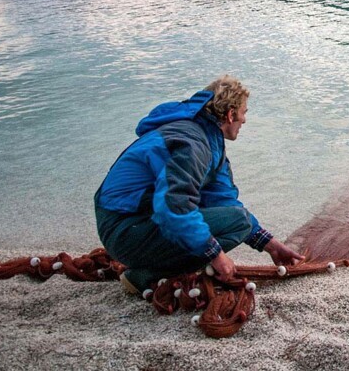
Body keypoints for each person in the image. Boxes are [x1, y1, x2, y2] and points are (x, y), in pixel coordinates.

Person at [94, 75, 303, 294]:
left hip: (133, 221)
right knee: (237, 222)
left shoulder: (208, 142)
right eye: (244, 113)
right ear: (231, 114)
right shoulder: (193, 144)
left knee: (237, 219)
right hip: (124, 228)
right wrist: (215, 254)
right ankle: (144, 276)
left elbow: (224, 201)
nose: (245, 120)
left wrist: (269, 244)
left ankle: (152, 263)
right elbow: (174, 205)